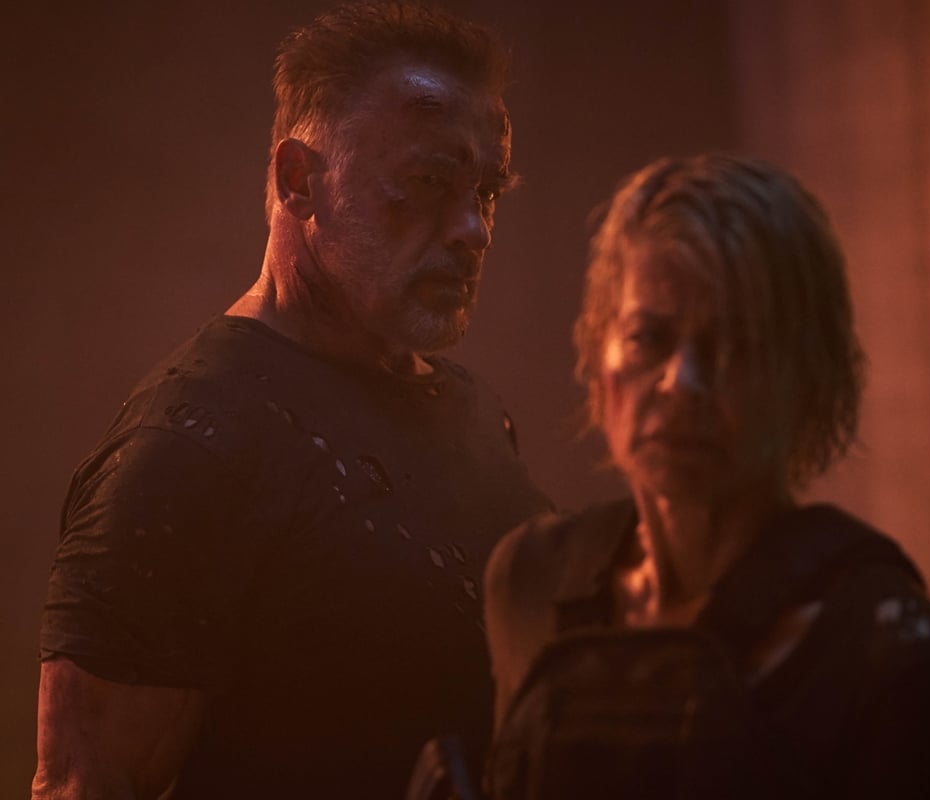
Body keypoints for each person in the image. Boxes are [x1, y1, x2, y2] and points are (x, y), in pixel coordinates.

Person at [33, 4, 551, 798]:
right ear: (299, 181)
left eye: (485, 191)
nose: (472, 230)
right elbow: (85, 786)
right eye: (428, 182)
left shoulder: (472, 412)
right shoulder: (192, 444)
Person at [483, 154, 930, 797]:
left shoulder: (887, 652)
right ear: (599, 355)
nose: (681, 382)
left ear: (809, 378)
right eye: (648, 338)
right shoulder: (530, 584)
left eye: (736, 344)